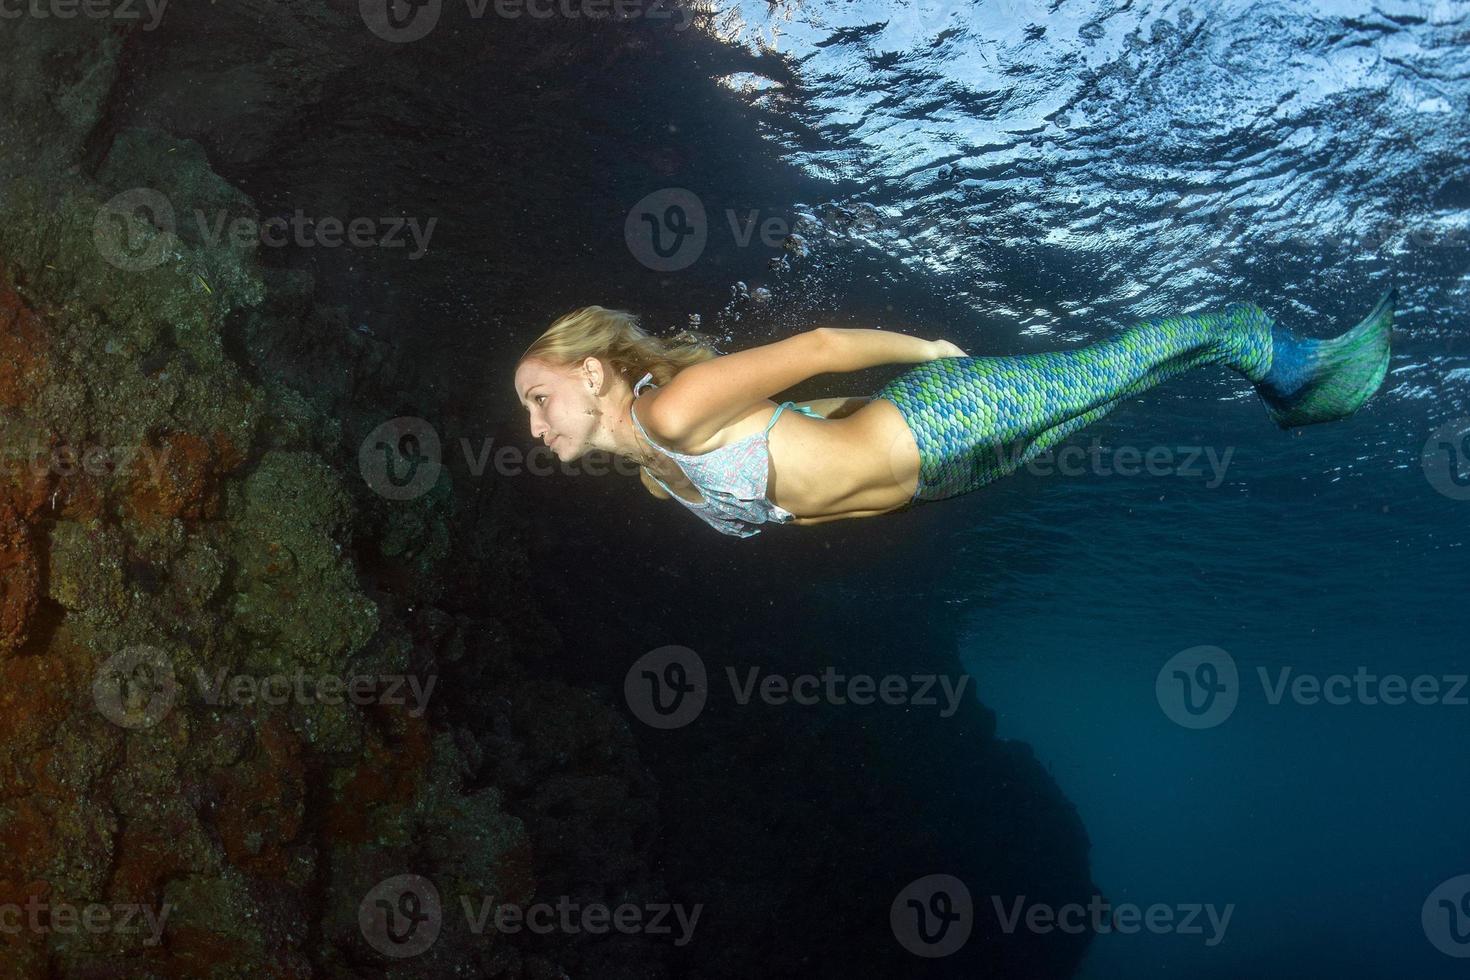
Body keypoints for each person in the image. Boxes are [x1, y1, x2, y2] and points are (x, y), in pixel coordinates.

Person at [513, 291, 1395, 537]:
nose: (532, 424)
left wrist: (924, 353)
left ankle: (1268, 346)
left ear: (593, 374)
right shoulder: (658, 474)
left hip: (937, 422)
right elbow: (797, 416)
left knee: (1114, 367)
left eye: (537, 397)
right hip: (939, 476)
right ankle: (1285, 389)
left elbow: (817, 346)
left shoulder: (670, 416)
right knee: (1125, 386)